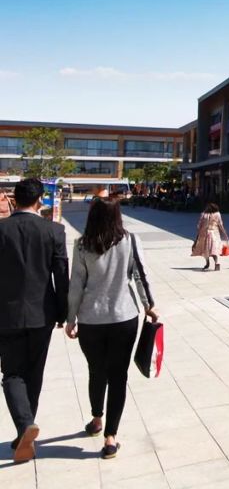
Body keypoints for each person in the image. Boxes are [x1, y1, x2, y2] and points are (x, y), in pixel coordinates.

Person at [65, 196, 157, 460]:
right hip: (124, 316)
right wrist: (149, 304)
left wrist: (71, 318)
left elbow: (76, 285)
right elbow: (140, 274)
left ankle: (96, 420)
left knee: (96, 371)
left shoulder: (81, 245)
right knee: (118, 376)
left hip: (91, 320)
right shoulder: (129, 241)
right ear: (118, 216)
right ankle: (110, 438)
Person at [0, 178, 69, 464]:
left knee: (12, 374)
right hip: (43, 315)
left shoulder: (1, 230)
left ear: (14, 200)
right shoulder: (54, 230)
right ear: (40, 200)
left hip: (7, 314)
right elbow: (61, 276)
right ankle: (24, 430)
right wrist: (64, 312)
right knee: (34, 374)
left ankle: (25, 427)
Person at [191, 203, 228, 271]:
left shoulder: (203, 214)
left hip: (204, 234)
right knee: (214, 250)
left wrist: (198, 234)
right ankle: (217, 263)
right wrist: (224, 233)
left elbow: (199, 225)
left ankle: (207, 263)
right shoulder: (217, 214)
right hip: (214, 234)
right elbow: (220, 224)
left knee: (205, 250)